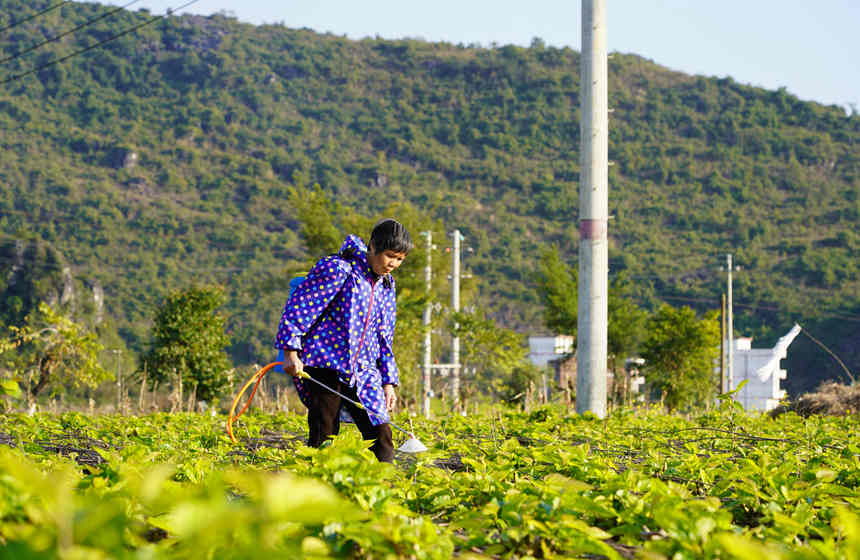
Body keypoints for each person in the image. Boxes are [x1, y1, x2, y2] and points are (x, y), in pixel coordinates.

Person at [274, 219, 412, 462]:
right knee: (325, 435)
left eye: (399, 259)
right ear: (373, 246)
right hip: (326, 364)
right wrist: (290, 352)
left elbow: (384, 337)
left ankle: (385, 490)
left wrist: (388, 382)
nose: (393, 264)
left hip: (365, 371)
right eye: (390, 256)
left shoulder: (386, 285)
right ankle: (317, 491)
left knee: (381, 435)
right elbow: (301, 308)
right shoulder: (340, 269)